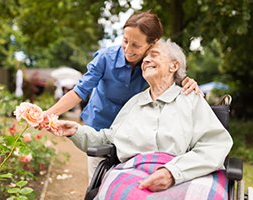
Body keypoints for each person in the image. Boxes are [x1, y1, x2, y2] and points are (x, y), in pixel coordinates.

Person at [45, 39, 233, 200]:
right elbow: (109, 139)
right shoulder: (134, 103)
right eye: (145, 58)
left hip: (187, 172)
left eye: (155, 55)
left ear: (174, 66)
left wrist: (173, 173)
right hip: (133, 172)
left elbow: (215, 144)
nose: (146, 60)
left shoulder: (191, 99)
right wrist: (76, 131)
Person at [39, 10, 202, 182]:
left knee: (127, 180)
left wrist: (186, 81)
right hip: (99, 125)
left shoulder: (151, 62)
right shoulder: (105, 58)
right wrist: (48, 113)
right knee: (98, 179)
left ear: (152, 43)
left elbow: (170, 77)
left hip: (130, 132)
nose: (128, 49)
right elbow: (79, 91)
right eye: (125, 41)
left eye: (136, 45)